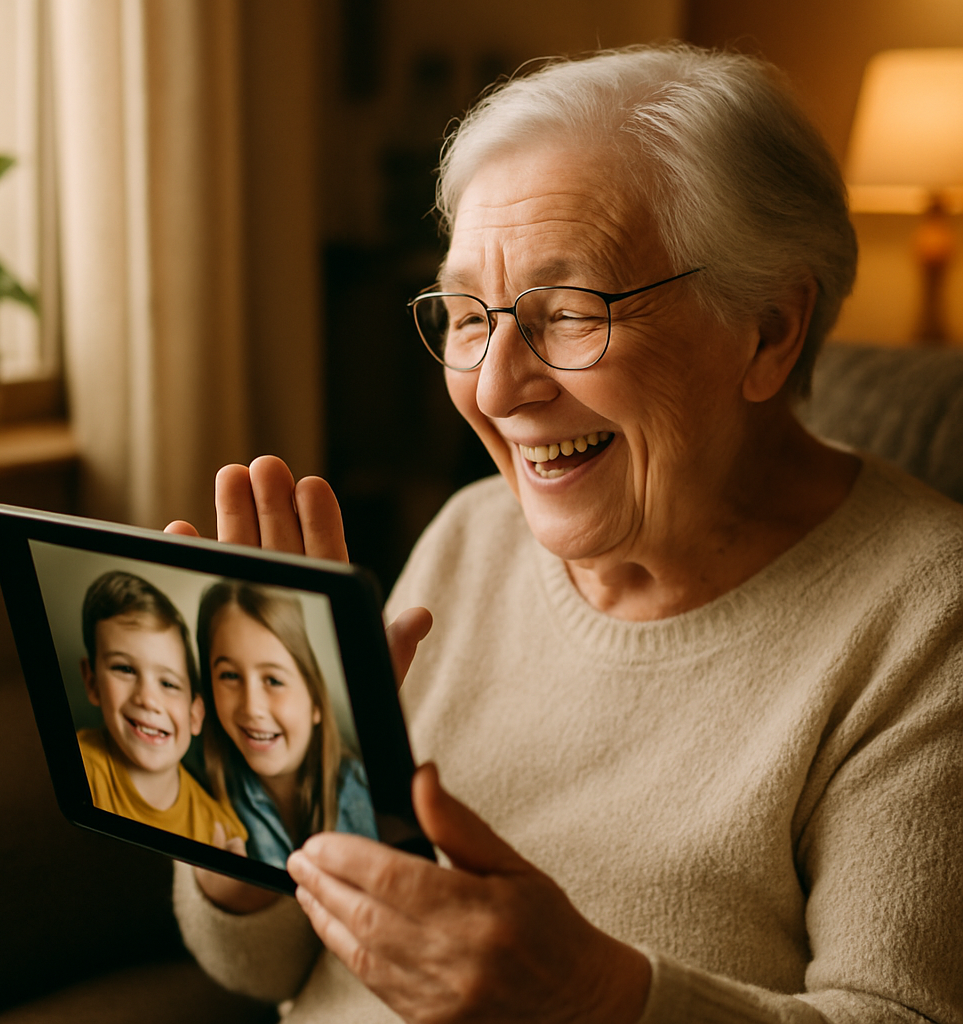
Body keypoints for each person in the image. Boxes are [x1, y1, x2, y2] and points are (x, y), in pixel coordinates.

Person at [168, 44, 963, 1024]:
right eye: (468, 314)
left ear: (766, 328)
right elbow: (257, 965)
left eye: (571, 311)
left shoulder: (926, 616)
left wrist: (594, 997)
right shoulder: (468, 537)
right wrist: (262, 799)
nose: (496, 387)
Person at [193, 581, 376, 875]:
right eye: (229, 675)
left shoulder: (363, 795)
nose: (252, 707)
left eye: (274, 680)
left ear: (315, 701)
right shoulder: (197, 781)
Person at [78, 570, 247, 845]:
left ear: (195, 715)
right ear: (92, 682)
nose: (147, 699)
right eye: (125, 669)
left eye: (168, 684)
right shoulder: (79, 772)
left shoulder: (221, 828)